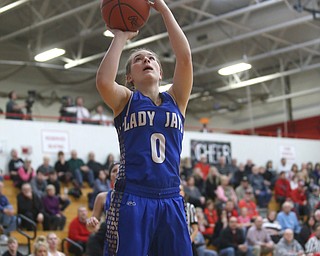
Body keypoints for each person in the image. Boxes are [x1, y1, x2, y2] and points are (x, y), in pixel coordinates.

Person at [93, 0, 193, 255]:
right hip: (133, 197)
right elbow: (104, 81)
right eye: (138, 59)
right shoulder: (126, 101)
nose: (146, 60)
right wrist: (121, 37)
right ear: (129, 76)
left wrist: (163, 9)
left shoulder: (177, 99)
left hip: (171, 197)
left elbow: (184, 58)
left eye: (152, 59)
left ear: (161, 72)